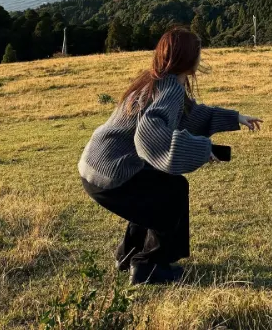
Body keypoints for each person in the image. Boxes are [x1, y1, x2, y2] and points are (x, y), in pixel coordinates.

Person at [78, 27, 262, 285]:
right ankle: (149, 266)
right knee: (172, 190)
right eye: (198, 53)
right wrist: (202, 149)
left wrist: (235, 118)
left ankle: (128, 254)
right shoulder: (169, 89)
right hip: (110, 172)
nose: (201, 59)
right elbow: (148, 135)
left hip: (93, 167)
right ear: (187, 59)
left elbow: (189, 115)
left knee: (151, 191)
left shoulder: (157, 81)